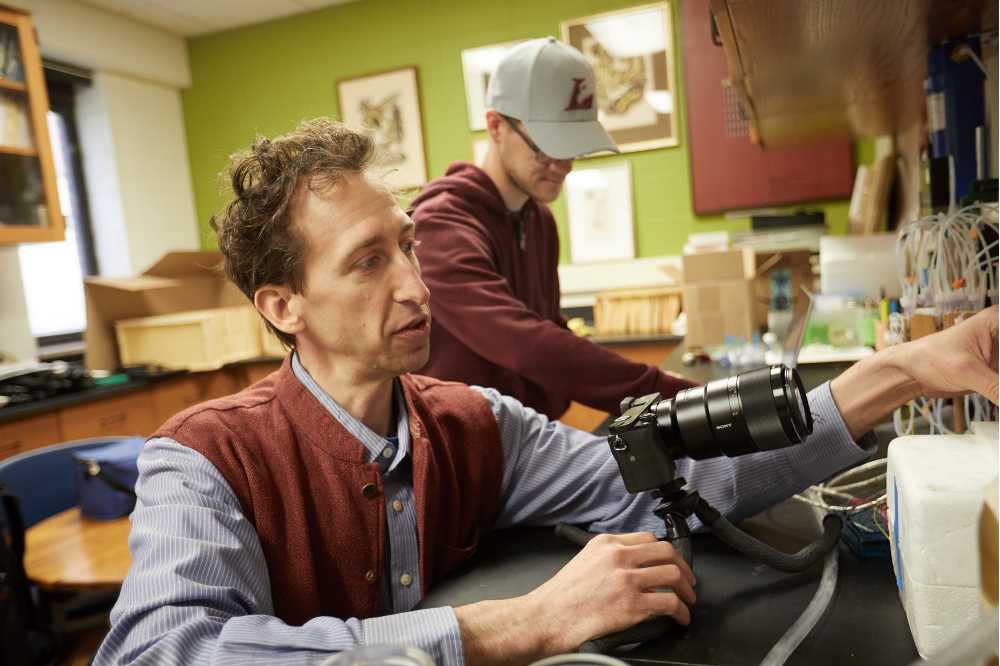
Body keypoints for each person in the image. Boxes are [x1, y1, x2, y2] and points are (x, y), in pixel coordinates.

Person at [95, 118, 999, 666]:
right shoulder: (204, 458)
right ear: (282, 306)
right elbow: (161, 653)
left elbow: (674, 477)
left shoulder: (474, 422)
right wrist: (515, 625)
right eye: (368, 262)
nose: (415, 285)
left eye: (406, 245)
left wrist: (904, 371)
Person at [410, 37, 696, 421]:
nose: (563, 166)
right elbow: (524, 341)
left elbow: (548, 325)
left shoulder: (539, 219)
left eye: (573, 148)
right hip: (464, 442)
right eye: (547, 147)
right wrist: (666, 391)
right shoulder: (440, 225)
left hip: (531, 432)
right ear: (496, 126)